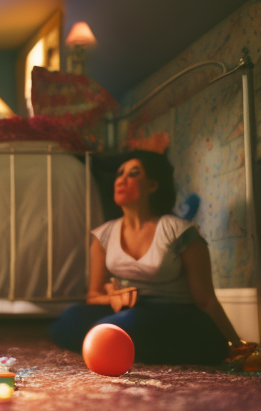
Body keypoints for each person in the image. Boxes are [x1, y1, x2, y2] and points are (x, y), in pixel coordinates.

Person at [49, 150, 243, 365]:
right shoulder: (103, 236)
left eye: (133, 174)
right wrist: (113, 298)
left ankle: (128, 344)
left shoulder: (179, 232)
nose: (121, 179)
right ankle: (129, 346)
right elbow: (93, 295)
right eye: (120, 173)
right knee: (69, 320)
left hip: (178, 316)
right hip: (132, 312)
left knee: (121, 325)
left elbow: (206, 300)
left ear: (152, 185)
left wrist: (236, 344)